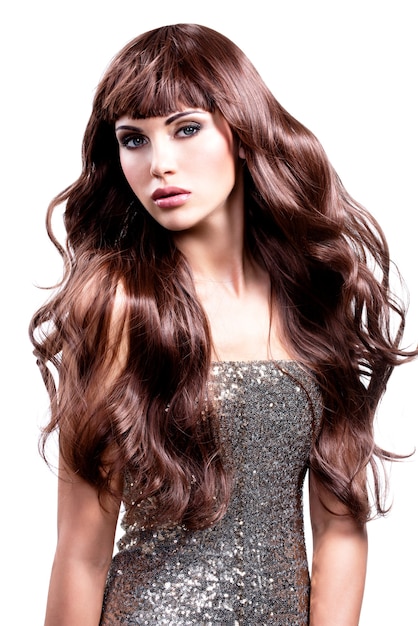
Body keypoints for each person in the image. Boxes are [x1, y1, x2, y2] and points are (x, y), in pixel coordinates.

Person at [30, 23, 416, 626]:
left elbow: (341, 526)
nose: (159, 164)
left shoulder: (314, 298)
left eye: (186, 129)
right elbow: (82, 552)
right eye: (134, 140)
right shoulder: (120, 306)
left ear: (241, 131)